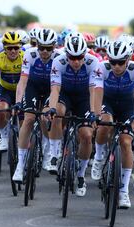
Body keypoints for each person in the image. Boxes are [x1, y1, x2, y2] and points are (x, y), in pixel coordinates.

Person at [92, 41, 134, 208]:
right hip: (107, 102)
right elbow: (97, 92)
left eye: (120, 62)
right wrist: (95, 115)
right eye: (112, 62)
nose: (116, 66)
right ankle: (99, 156)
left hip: (128, 105)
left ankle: (123, 191)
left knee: (125, 142)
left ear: (128, 59)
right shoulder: (102, 67)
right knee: (105, 123)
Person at [46, 33, 99, 197]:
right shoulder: (58, 61)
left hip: (84, 97)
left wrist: (93, 112)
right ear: (66, 55)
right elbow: (55, 89)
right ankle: (54, 155)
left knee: (86, 135)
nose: (76, 61)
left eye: (79, 57)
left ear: (85, 54)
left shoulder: (93, 62)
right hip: (65, 95)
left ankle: (81, 175)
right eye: (72, 57)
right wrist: (52, 108)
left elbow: (93, 91)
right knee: (58, 113)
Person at [12, 28, 61, 181]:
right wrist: (18, 102)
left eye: (49, 48)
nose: (45, 51)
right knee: (28, 119)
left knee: (46, 117)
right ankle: (20, 165)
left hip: (50, 89)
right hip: (32, 87)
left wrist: (52, 107)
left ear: (54, 46)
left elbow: (56, 87)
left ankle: (47, 151)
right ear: (36, 45)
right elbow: (22, 81)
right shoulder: (30, 54)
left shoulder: (60, 57)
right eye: (41, 47)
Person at [0, 31, 24, 152]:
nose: (13, 51)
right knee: (0, 110)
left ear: (20, 47)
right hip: (4, 89)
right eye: (10, 48)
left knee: (25, 118)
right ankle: (4, 135)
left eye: (16, 47)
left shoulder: (25, 57)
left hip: (21, 90)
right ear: (4, 48)